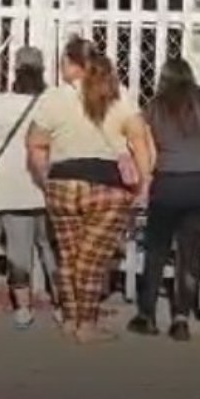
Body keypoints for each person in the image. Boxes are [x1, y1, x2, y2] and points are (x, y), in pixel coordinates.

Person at [26, 37, 153, 345]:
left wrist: (45, 178)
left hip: (63, 181)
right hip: (106, 185)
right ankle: (87, 324)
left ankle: (71, 318)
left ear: (72, 65)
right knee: (93, 259)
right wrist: (144, 183)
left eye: (63, 63)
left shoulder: (53, 98)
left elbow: (35, 144)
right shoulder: (117, 95)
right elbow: (139, 141)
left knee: (68, 254)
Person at [129, 57, 200, 342]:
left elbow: (148, 145)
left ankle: (147, 314)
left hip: (170, 180)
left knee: (157, 249)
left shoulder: (157, 107)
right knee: (190, 253)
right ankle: (181, 317)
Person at [0, 46, 58, 330]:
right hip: (47, 185)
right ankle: (61, 304)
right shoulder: (52, 102)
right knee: (52, 248)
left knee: (18, 251)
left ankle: (23, 308)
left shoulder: (2, 104)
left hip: (11, 187)